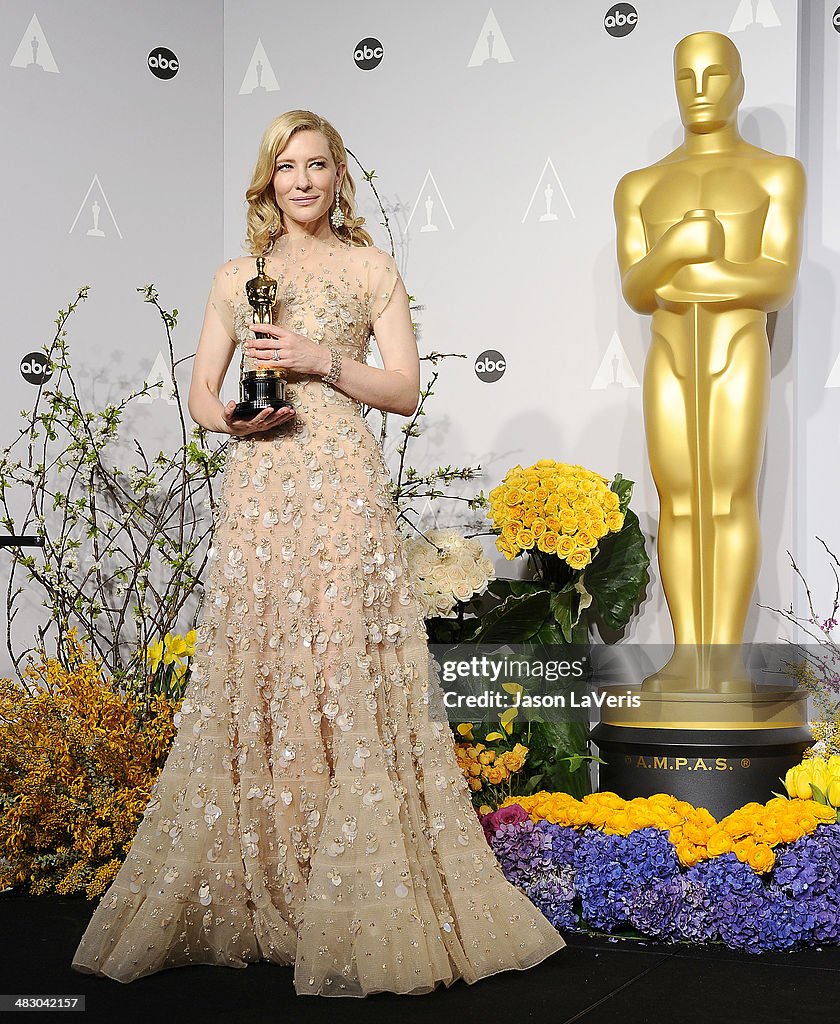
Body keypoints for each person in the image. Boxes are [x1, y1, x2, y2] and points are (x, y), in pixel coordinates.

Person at [71, 109, 565, 997]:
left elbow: (406, 390)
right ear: (269, 179)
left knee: (342, 668)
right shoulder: (237, 276)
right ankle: (271, 897)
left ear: (341, 176)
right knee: (263, 670)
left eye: (319, 164)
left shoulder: (370, 267)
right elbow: (200, 393)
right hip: (262, 493)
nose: (303, 180)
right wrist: (235, 418)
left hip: (342, 492)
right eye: (287, 165)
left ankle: (349, 901)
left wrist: (322, 360)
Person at [613, 32, 804, 692]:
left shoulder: (774, 173)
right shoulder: (642, 185)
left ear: (739, 81)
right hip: (671, 351)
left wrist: (690, 274)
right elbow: (640, 289)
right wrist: (681, 251)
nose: (698, 90)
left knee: (727, 499)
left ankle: (721, 664)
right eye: (685, 77)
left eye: (713, 75)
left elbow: (775, 280)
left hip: (735, 347)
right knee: (680, 504)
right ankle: (685, 660)